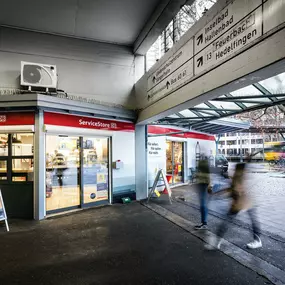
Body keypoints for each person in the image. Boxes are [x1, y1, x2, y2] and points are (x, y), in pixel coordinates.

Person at [208, 162, 262, 249]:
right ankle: (257, 240)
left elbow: (237, 190)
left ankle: (217, 241)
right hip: (242, 203)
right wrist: (217, 193)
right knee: (251, 220)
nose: (233, 170)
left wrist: (233, 200)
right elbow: (231, 188)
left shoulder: (240, 176)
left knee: (228, 221)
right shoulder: (238, 176)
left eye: (235, 168)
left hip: (243, 203)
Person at [194, 155, 210, 230]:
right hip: (202, 186)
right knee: (203, 205)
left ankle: (204, 223)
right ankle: (204, 222)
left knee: (203, 205)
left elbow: (206, 179)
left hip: (203, 186)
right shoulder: (205, 168)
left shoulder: (204, 168)